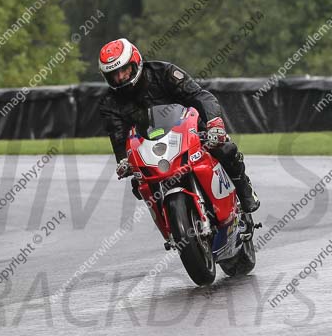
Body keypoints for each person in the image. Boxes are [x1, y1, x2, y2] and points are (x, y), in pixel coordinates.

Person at [97, 38, 260, 213]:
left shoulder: (164, 72)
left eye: (124, 70)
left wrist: (214, 124)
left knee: (225, 149)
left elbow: (200, 96)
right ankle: (168, 224)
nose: (120, 77)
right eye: (113, 74)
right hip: (151, 146)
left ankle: (245, 191)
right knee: (139, 185)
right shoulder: (109, 103)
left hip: (189, 132)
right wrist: (123, 160)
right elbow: (118, 134)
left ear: (135, 62)